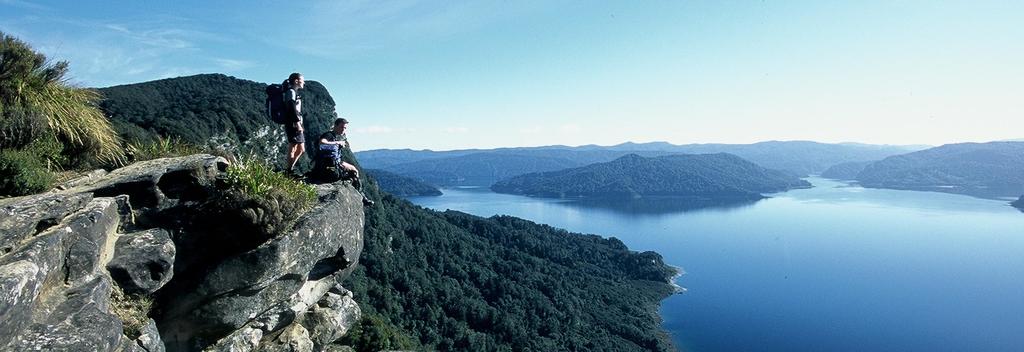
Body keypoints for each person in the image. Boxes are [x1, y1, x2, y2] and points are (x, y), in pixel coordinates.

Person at [315, 117, 374, 206]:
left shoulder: (333, 136)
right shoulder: (329, 135)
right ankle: (362, 198)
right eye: (342, 127)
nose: (343, 130)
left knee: (353, 169)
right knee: (353, 173)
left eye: (345, 128)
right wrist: (337, 143)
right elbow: (322, 142)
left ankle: (362, 197)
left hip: (328, 166)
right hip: (329, 169)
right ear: (335, 126)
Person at [283, 72, 305, 177]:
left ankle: (289, 169)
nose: (304, 82)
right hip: (293, 123)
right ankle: (288, 171)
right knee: (293, 147)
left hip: (295, 123)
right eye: (302, 80)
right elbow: (291, 108)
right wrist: (297, 123)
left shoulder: (293, 92)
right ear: (296, 81)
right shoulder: (291, 92)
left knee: (300, 149)